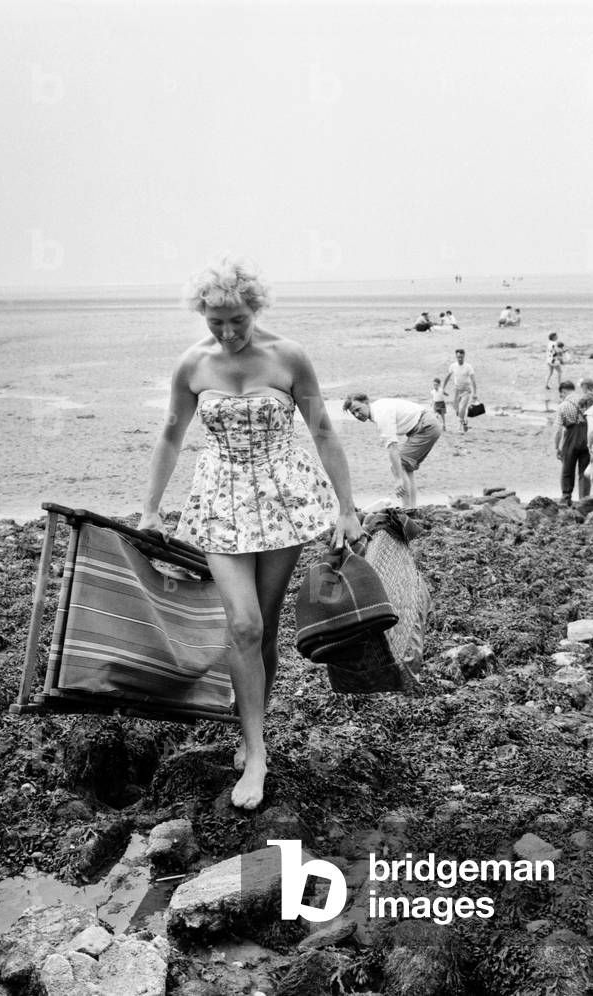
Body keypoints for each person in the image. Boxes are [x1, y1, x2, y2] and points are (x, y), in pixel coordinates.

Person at [138, 256, 362, 811]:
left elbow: (323, 431)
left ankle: (251, 728)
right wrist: (150, 509)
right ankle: (256, 752)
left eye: (237, 320)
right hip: (219, 501)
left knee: (263, 628)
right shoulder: (193, 365)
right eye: (216, 322)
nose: (228, 333)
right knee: (243, 624)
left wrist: (347, 508)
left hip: (284, 499)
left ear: (255, 310)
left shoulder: (288, 357)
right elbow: (170, 436)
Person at [342, 392, 442, 509]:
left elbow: (392, 447)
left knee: (399, 465)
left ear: (366, 402)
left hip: (426, 426)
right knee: (406, 467)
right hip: (425, 424)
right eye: (353, 413)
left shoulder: (381, 413)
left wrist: (398, 479)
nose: (357, 415)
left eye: (358, 409)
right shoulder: (378, 408)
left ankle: (407, 509)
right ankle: (411, 508)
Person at [552, 380, 590, 505]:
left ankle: (566, 497)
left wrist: (557, 447)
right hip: (586, 437)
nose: (561, 397)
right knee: (584, 471)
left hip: (570, 438)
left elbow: (558, 430)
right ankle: (584, 500)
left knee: (567, 469)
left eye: (561, 394)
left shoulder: (563, 406)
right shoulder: (586, 401)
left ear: (563, 391)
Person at [441, 348, 478, 432]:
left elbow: (473, 380)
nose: (460, 359)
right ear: (456, 357)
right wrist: (443, 388)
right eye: (458, 357)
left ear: (464, 356)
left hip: (466, 390)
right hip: (457, 390)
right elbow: (447, 377)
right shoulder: (453, 366)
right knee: (457, 410)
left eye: (461, 357)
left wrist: (475, 393)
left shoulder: (468, 367)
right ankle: (464, 422)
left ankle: (459, 427)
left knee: (462, 408)